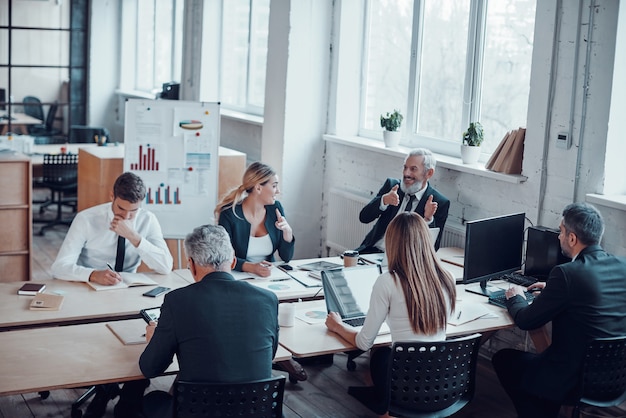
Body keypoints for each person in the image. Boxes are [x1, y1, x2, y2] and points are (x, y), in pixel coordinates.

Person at [50, 172, 173, 418]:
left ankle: (129, 398)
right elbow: (59, 266)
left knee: (146, 335)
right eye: (121, 209)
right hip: (91, 294)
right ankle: (106, 387)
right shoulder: (87, 218)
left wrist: (135, 237)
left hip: (129, 295)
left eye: (133, 211)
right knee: (100, 340)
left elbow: (165, 265)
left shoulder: (147, 220)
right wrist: (91, 274)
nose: (126, 217)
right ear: (111, 197)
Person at [491, 202, 626, 418]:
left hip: (571, 380)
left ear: (572, 238)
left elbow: (526, 321)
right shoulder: (622, 266)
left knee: (505, 360)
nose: (558, 237)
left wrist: (515, 298)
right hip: (615, 379)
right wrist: (553, 290)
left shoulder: (566, 273)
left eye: (561, 231)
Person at [139, 224, 279, 418]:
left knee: (152, 399)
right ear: (232, 262)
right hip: (256, 409)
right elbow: (269, 354)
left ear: (192, 264)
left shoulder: (177, 301)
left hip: (198, 411)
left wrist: (153, 341)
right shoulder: (268, 299)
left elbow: (150, 368)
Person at [326, 212, 457, 416]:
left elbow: (363, 343)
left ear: (392, 244)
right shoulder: (447, 277)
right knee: (387, 351)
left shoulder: (388, 281)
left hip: (405, 382)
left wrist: (337, 326)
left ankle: (388, 410)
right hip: (440, 380)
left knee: (380, 354)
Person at [214, 161, 306, 381]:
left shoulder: (276, 209)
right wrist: (249, 266)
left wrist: (288, 234)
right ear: (258, 188)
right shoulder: (230, 214)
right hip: (236, 277)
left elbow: (286, 256)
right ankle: (269, 358)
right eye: (274, 185)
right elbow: (222, 256)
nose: (278, 190)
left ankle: (278, 354)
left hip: (267, 278)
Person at [356, 148, 450, 253]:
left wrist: (428, 219)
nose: (406, 173)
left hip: (404, 261)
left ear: (429, 173)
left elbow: (432, 248)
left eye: (413, 169)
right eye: (405, 167)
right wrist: (384, 201)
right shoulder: (392, 186)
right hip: (372, 251)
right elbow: (364, 217)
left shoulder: (438, 202)